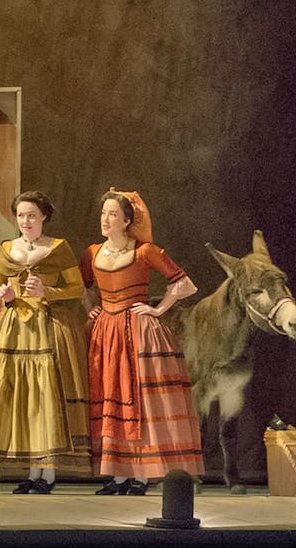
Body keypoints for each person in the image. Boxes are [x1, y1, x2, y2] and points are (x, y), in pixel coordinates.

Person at [0, 191, 89, 492]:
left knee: (45, 395)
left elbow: (76, 288)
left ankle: (49, 473)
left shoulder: (58, 248)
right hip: (13, 327)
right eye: (21, 215)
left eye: (31, 215)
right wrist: (5, 296)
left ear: (44, 217)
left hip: (47, 326)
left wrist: (47, 291)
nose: (26, 221)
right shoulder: (7, 248)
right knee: (21, 397)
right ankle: (32, 471)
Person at [81, 189, 204, 494]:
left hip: (139, 331)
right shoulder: (92, 253)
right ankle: (118, 475)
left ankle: (142, 475)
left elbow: (183, 283)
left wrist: (158, 308)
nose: (105, 220)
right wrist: (91, 309)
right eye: (103, 213)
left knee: (143, 401)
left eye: (112, 214)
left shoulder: (145, 251)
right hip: (106, 334)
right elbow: (84, 288)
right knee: (112, 395)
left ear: (126, 220)